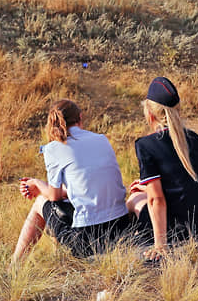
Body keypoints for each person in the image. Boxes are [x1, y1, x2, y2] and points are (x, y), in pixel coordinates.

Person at [12, 100, 131, 263]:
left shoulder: (54, 148)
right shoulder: (102, 139)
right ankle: (56, 257)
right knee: (65, 203)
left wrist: (37, 184)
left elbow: (53, 196)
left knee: (41, 202)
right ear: (80, 118)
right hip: (120, 228)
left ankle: (15, 264)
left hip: (86, 240)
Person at [127, 77, 198, 260]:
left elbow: (156, 200)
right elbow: (191, 182)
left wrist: (160, 244)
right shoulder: (194, 138)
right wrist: (147, 186)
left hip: (184, 231)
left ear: (149, 114)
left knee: (135, 199)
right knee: (143, 191)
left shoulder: (146, 145)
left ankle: (133, 241)